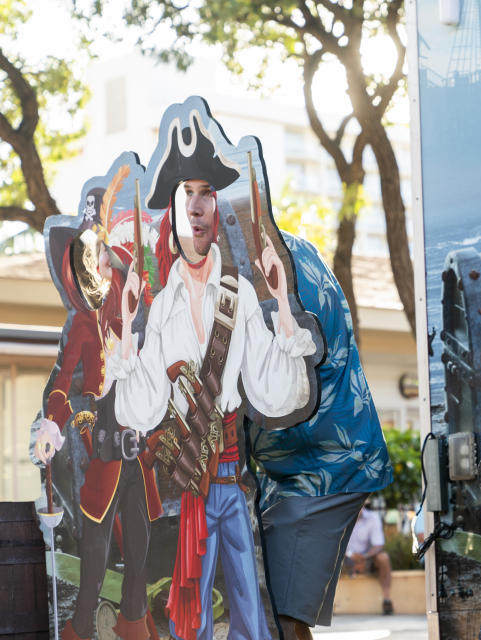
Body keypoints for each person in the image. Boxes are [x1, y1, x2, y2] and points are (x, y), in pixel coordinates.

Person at [109, 117, 317, 640]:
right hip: (186, 489)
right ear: (174, 210)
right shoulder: (160, 309)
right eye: (187, 193)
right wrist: (131, 329)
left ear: (216, 208)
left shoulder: (240, 295)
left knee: (251, 613)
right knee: (193, 613)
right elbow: (140, 409)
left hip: (231, 480)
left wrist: (280, 304)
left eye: (206, 193)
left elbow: (277, 390)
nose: (198, 205)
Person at [249, 232, 393, 640]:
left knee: (281, 611)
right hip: (293, 466)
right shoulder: (277, 249)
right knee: (268, 605)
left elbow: (280, 368)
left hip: (326, 463)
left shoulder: (275, 262)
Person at [35, 196, 163, 640]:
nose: (101, 261)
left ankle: (134, 624)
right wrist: (54, 423)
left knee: (141, 549)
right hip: (105, 444)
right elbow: (62, 382)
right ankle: (80, 626)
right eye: (93, 256)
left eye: (104, 253)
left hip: (138, 448)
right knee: (96, 547)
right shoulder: (84, 325)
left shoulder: (138, 322)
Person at [343, 505, 393, 615]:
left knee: (383, 558)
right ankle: (325, 605)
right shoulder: (340, 517)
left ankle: (387, 600)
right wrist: (350, 555)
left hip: (366, 558)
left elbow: (378, 545)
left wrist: (363, 558)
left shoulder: (373, 517)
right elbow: (334, 544)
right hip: (344, 559)